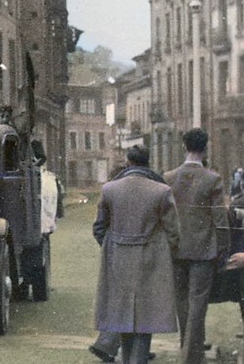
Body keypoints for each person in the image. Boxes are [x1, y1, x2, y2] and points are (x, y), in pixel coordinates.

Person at [93, 145, 179, 364]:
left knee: (122, 315)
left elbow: (99, 227)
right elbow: (173, 232)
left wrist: (113, 247)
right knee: (145, 318)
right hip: (151, 261)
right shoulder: (162, 191)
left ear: (128, 162)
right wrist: (162, 253)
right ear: (148, 163)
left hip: (118, 259)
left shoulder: (109, 189)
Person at [164, 128, 229, 364]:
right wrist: (223, 249)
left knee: (181, 302)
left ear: (184, 146)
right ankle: (192, 356)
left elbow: (165, 216)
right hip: (203, 250)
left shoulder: (169, 177)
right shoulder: (212, 179)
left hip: (176, 248)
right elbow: (220, 219)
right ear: (205, 148)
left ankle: (189, 347)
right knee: (198, 303)